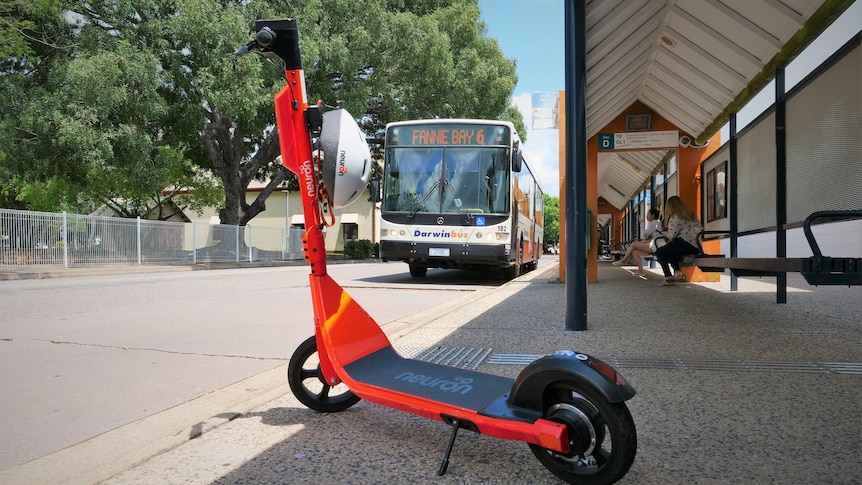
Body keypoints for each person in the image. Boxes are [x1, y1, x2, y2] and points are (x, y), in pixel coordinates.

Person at [653, 196, 703, 286]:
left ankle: (668, 276)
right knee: (670, 250)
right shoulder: (692, 214)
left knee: (659, 252)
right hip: (696, 246)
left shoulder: (675, 217)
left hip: (684, 243)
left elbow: (671, 236)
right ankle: (677, 272)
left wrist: (666, 234)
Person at [612, 208, 662, 276]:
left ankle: (623, 261)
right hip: (653, 245)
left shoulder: (655, 223)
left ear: (653, 215)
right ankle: (641, 271)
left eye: (648, 214)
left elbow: (645, 233)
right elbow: (647, 235)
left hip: (655, 246)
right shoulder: (655, 223)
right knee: (635, 252)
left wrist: (641, 223)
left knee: (634, 244)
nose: (646, 216)